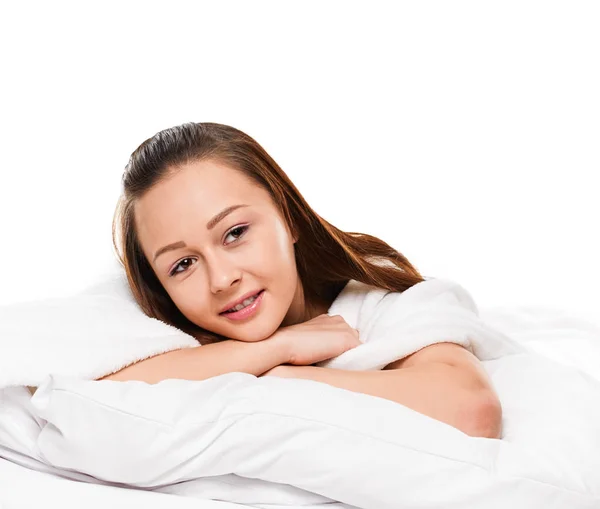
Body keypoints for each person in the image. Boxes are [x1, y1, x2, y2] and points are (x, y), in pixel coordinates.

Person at [103, 122, 501, 438]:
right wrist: (281, 346)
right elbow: (99, 392)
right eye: (183, 264)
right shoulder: (161, 330)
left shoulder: (387, 303)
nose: (221, 279)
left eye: (235, 233)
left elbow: (471, 410)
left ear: (289, 219)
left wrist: (285, 376)